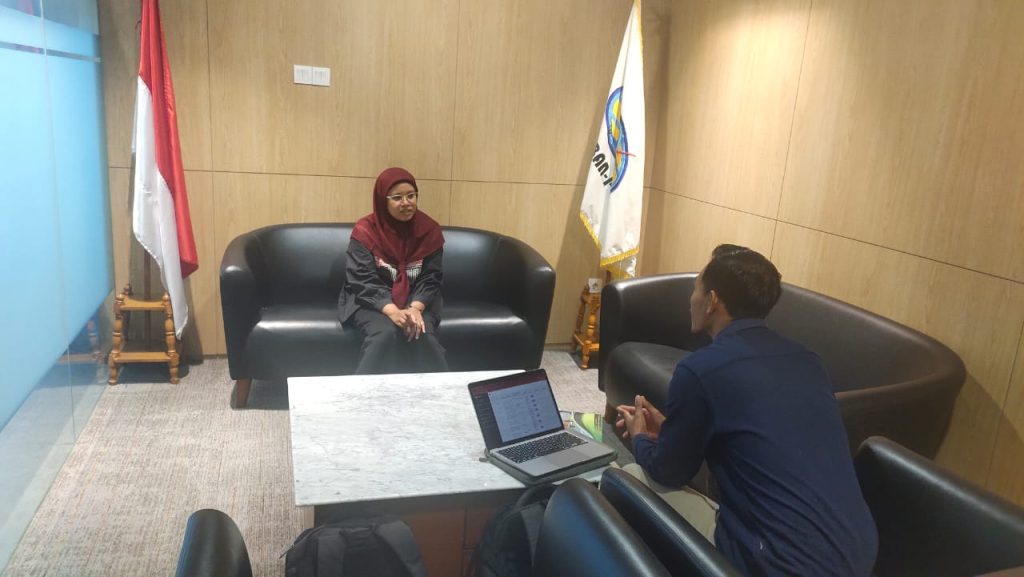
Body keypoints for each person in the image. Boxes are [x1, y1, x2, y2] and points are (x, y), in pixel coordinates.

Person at [614, 245, 878, 577]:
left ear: (711, 301)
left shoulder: (700, 370)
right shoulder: (808, 360)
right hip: (857, 553)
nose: (690, 299)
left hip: (780, 564)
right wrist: (671, 431)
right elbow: (760, 439)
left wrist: (640, 438)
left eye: (695, 289)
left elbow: (668, 471)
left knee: (626, 477)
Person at [337, 167, 448, 374]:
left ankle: (442, 393)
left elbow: (431, 277)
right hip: (370, 301)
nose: (406, 203)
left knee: (422, 333)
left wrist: (415, 309)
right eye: (397, 198)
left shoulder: (429, 230)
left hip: (418, 299)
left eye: (411, 196)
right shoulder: (365, 231)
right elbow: (362, 279)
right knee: (384, 334)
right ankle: (364, 392)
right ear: (383, 201)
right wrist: (393, 311)